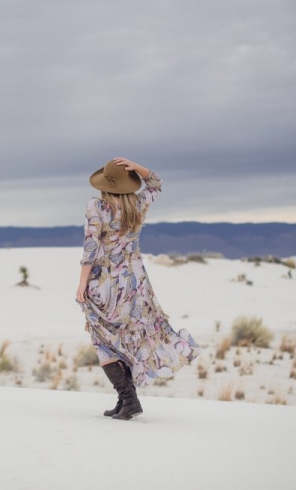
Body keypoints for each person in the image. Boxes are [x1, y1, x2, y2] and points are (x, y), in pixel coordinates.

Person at [76, 158, 200, 420]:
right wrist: (137, 167)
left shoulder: (97, 206)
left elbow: (91, 247)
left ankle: (129, 400)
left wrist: (81, 283)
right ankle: (126, 401)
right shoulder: (138, 204)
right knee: (128, 336)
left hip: (105, 282)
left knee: (104, 341)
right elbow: (156, 183)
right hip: (135, 282)